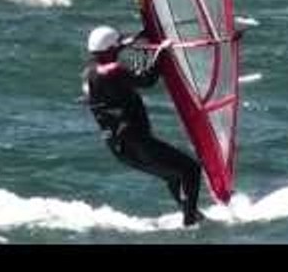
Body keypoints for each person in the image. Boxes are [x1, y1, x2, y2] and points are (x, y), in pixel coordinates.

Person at [80, 25, 204, 227]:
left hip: (118, 146)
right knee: (191, 170)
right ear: (112, 49)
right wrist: (161, 53)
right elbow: (147, 80)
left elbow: (115, 48)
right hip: (137, 140)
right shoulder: (114, 70)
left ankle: (191, 214)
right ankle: (190, 222)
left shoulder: (89, 73)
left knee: (174, 176)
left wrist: (137, 38)